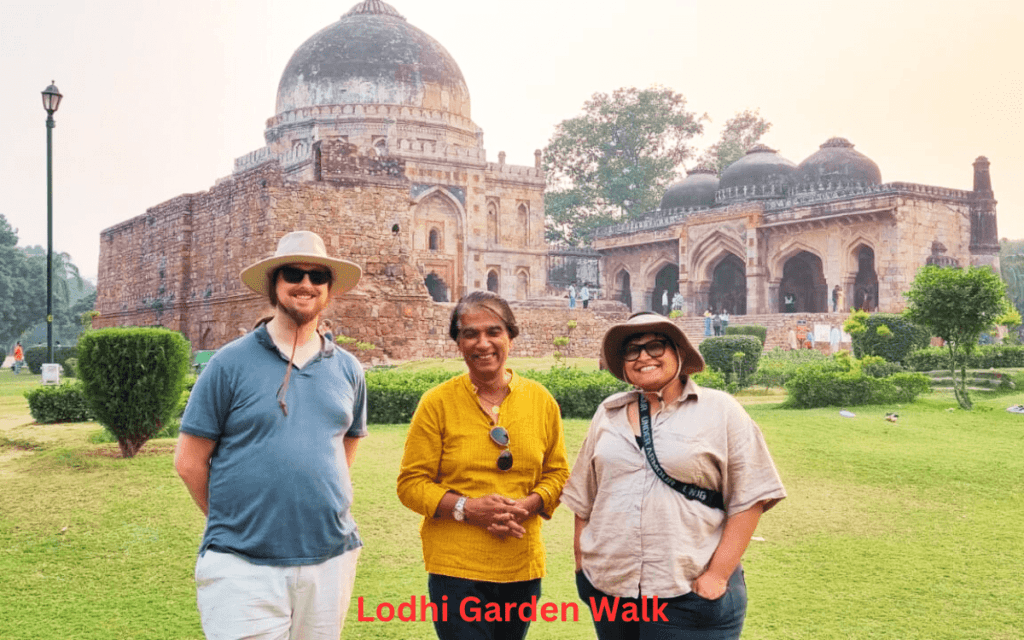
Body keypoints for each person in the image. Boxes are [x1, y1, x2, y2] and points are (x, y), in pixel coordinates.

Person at [174, 230, 367, 640]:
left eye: (318, 277)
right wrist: (234, 520)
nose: (306, 285)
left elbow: (343, 448)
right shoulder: (229, 364)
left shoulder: (348, 369)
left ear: (329, 290)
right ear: (274, 284)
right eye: (294, 273)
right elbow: (189, 462)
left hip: (329, 557)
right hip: (242, 563)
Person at [562, 313, 786, 640]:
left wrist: (717, 576)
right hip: (612, 588)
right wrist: (584, 564)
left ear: (678, 352)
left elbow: (751, 497)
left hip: (686, 591)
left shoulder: (719, 410)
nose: (644, 357)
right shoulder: (608, 414)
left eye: (655, 346)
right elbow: (585, 497)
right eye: (632, 350)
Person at [397, 291, 570, 640]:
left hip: (520, 562)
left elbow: (558, 473)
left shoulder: (540, 401)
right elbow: (411, 484)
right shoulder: (438, 404)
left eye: (494, 332)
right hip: (456, 567)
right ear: (457, 343)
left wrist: (529, 504)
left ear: (511, 337)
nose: (483, 343)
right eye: (470, 334)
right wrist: (467, 508)